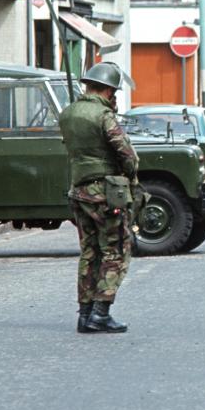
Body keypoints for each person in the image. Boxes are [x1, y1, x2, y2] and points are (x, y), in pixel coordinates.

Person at [59, 62, 140, 334]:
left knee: (89, 252)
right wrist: (132, 176)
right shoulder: (104, 116)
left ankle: (84, 314)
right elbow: (127, 154)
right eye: (113, 91)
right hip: (105, 194)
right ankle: (101, 312)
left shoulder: (68, 114)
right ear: (106, 90)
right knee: (115, 251)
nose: (114, 96)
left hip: (78, 191)